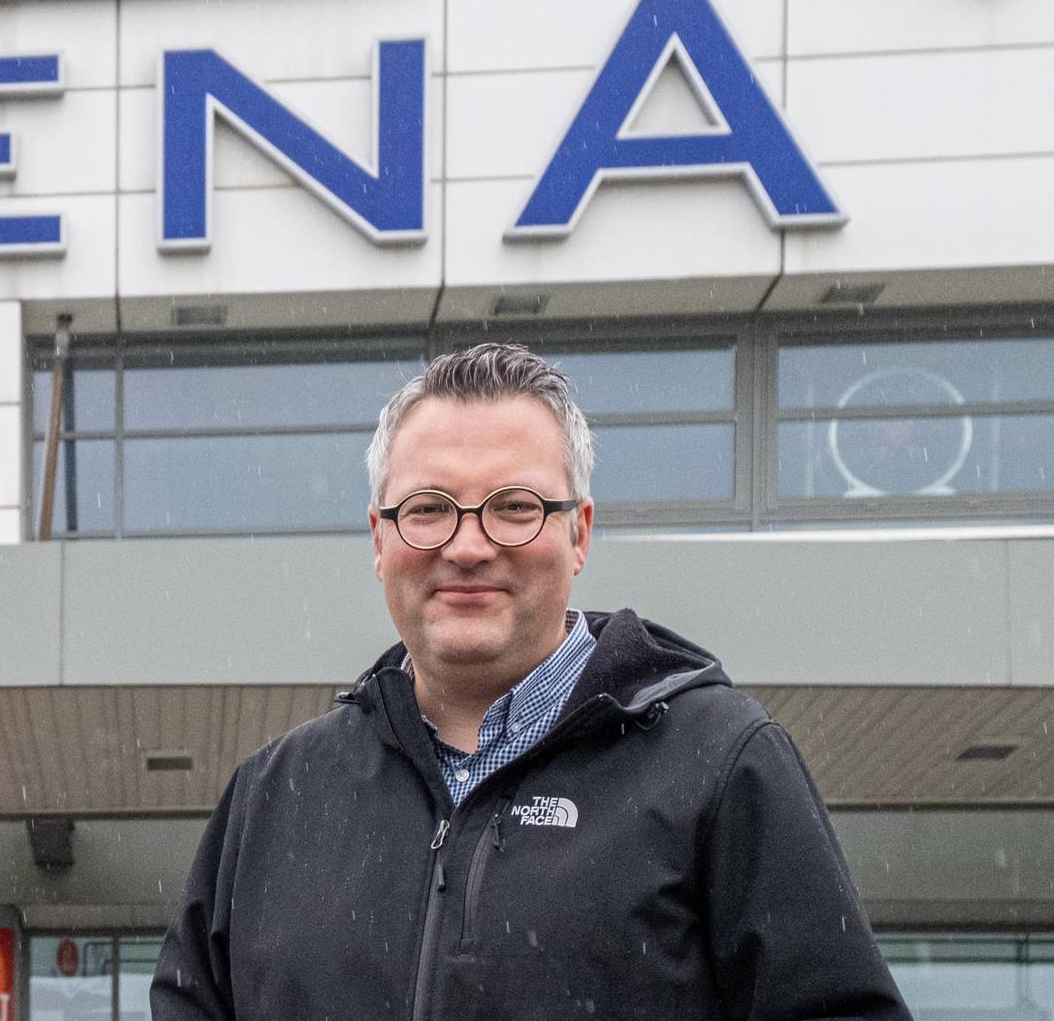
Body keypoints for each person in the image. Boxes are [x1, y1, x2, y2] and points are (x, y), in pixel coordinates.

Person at [151, 343, 906, 1021]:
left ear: (579, 532)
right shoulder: (273, 797)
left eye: (514, 507)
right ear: (379, 540)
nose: (468, 546)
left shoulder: (722, 762)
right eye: (428, 509)